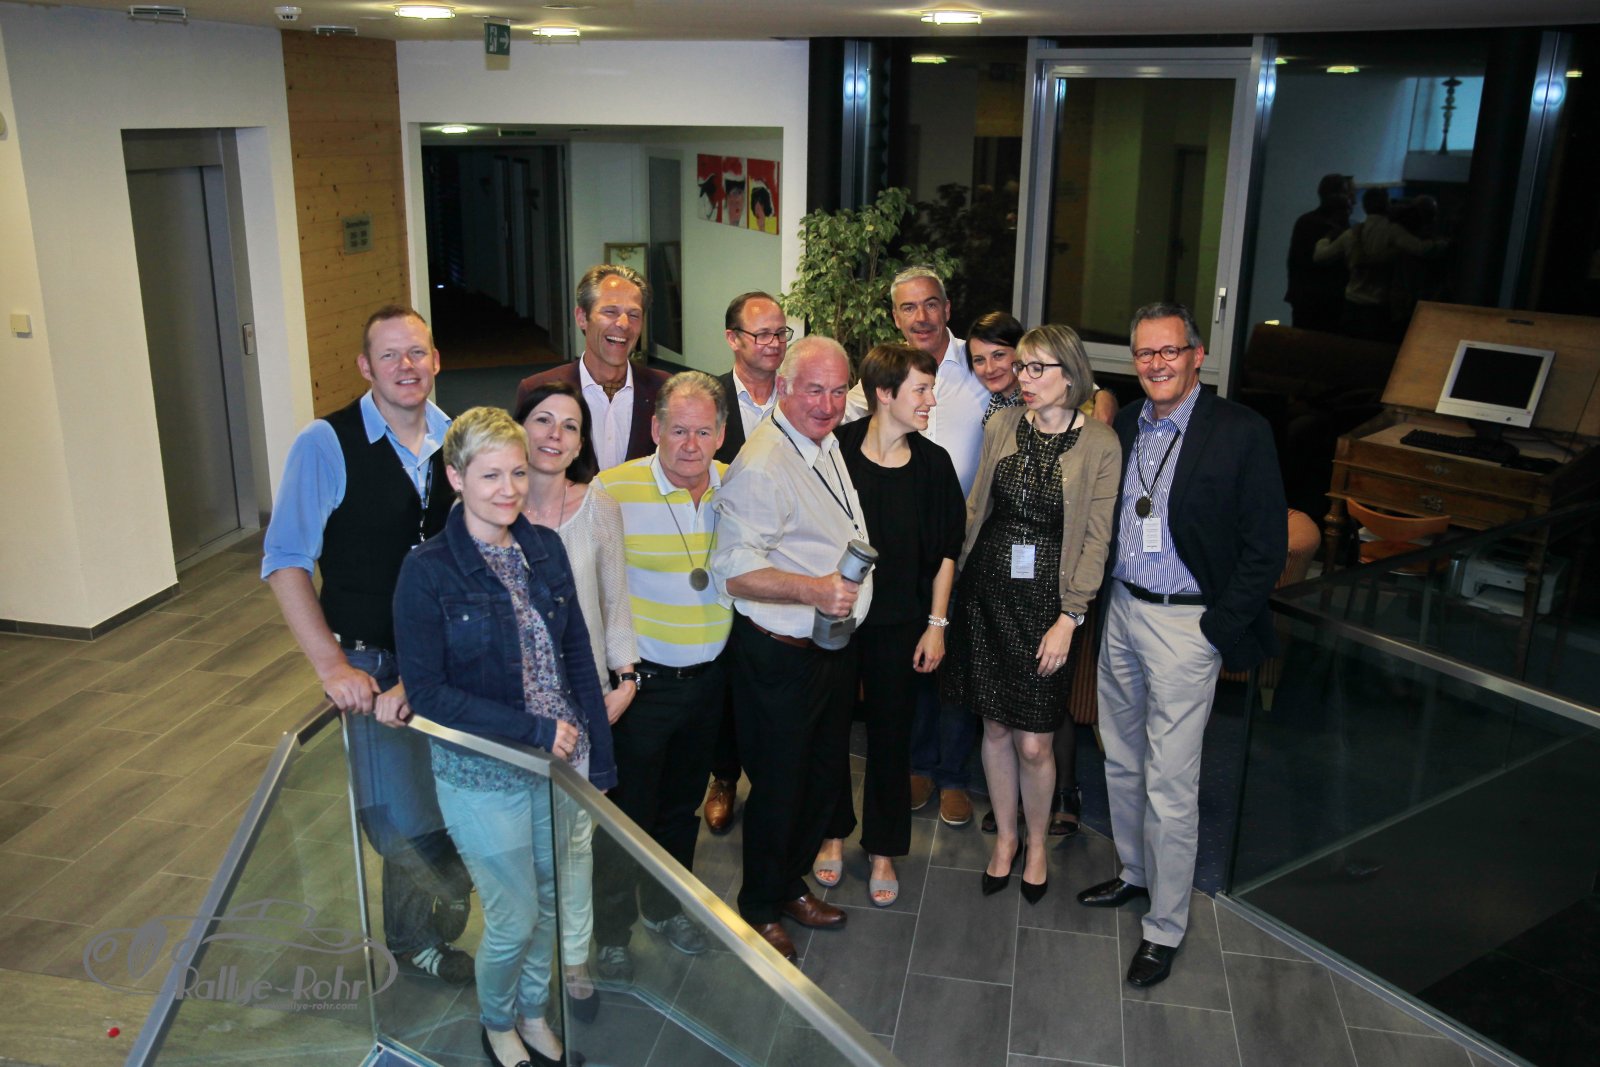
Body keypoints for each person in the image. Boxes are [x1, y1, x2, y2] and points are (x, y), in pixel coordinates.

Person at [393, 406, 616, 1067]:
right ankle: (496, 1023)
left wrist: (599, 758)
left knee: (547, 905)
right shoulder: (427, 570)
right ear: (455, 477)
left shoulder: (543, 547)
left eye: (518, 472)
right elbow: (428, 694)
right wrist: (535, 729)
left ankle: (532, 1011)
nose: (508, 489)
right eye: (490, 475)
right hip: (482, 774)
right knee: (513, 915)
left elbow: (577, 655)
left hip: (557, 767)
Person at [261, 304, 473, 985]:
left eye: (417, 352)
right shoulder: (325, 444)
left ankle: (426, 920)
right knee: (399, 816)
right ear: (365, 366)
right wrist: (332, 664)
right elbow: (285, 561)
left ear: (436, 359)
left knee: (454, 795)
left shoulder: (456, 438)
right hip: (370, 661)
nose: (406, 366)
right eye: (389, 355)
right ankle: (420, 933)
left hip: (444, 656)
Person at [1076, 303, 1285, 990]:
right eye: (1145, 353)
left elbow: (1266, 546)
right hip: (1123, 611)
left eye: (1170, 351)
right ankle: (1136, 873)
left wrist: (1217, 629)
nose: (1157, 363)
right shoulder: (1129, 422)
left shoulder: (1241, 431)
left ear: (1197, 354)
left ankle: (1165, 925)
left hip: (1187, 626)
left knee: (1171, 782)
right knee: (1121, 759)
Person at [946, 324, 1120, 905]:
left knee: (1035, 743)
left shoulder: (1100, 443)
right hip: (987, 594)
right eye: (1022, 367)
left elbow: (1096, 540)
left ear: (1070, 376)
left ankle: (1038, 844)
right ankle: (1006, 839)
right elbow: (978, 506)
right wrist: (949, 584)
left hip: (1049, 607)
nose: (1023, 377)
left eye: (1036, 367)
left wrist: (1070, 618)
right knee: (995, 727)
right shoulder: (1002, 424)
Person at [710, 335, 870, 963]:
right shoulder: (763, 463)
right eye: (814, 390)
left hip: (827, 648)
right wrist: (815, 589)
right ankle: (758, 906)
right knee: (780, 788)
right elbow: (732, 571)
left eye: (838, 391)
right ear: (782, 389)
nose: (827, 404)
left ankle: (789, 884)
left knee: (819, 780)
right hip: (781, 656)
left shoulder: (819, 439)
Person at [594, 371, 734, 980]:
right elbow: (587, 588)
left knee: (681, 809)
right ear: (654, 428)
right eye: (678, 430)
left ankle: (665, 907)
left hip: (710, 684)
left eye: (703, 432)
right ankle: (611, 934)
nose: (690, 445)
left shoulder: (737, 486)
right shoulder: (612, 490)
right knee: (625, 815)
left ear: (721, 434)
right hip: (641, 687)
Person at [814, 343, 964, 906]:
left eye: (930, 390)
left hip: (903, 624)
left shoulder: (934, 465)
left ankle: (883, 848)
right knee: (829, 729)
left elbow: (946, 552)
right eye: (920, 390)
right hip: (838, 619)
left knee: (892, 737)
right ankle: (831, 833)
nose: (930, 401)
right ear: (884, 393)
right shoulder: (835, 451)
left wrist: (937, 625)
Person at [846, 266, 988, 829]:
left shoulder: (976, 364)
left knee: (949, 672)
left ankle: (952, 776)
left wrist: (1098, 399)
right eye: (908, 307)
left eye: (930, 304)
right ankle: (918, 769)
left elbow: (1043, 376)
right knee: (908, 681)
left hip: (960, 549)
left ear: (947, 308)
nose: (921, 316)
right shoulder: (876, 385)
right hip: (885, 573)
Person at [515, 379, 636, 1020]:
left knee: (575, 842)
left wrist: (626, 681)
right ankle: (527, 960)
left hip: (582, 705)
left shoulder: (599, 507)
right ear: (518, 427)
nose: (554, 435)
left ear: (581, 441)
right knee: (519, 846)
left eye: (569, 425)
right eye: (543, 420)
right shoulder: (491, 507)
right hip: (510, 712)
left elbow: (615, 605)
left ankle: (575, 957)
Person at [702, 290, 792, 834]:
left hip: (788, 558)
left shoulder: (798, 394)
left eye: (781, 333)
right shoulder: (706, 398)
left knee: (776, 674)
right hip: (725, 557)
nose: (774, 344)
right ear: (733, 339)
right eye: (762, 334)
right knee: (726, 669)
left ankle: (774, 778)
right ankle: (723, 775)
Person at [515, 264, 669, 471]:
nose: (624, 324)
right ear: (582, 318)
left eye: (634, 315)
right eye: (610, 311)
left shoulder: (665, 390)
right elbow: (523, 469)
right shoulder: (538, 391)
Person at [1314, 187, 1447, 343]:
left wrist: (1325, 239)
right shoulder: (1393, 231)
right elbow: (1422, 249)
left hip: (1351, 307)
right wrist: (1446, 243)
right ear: (1386, 204)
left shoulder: (1352, 233)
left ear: (1364, 206)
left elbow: (1320, 257)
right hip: (1377, 310)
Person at [1284, 173, 1354, 332]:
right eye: (1348, 193)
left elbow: (1295, 263)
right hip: (1328, 301)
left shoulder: (1305, 221)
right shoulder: (1335, 228)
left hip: (1305, 300)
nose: (1352, 200)